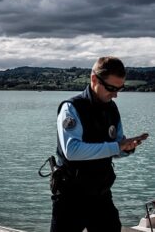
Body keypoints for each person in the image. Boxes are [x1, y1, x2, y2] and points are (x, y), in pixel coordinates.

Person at [51, 56, 149, 232]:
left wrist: (127, 148)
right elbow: (72, 151)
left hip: (101, 194)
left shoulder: (111, 108)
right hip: (71, 197)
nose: (115, 94)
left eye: (120, 89)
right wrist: (117, 147)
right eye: (111, 88)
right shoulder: (71, 108)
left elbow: (116, 146)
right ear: (94, 79)